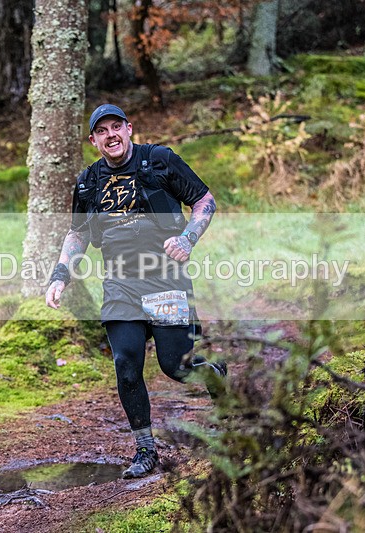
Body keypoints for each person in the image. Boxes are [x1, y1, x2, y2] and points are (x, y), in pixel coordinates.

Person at [45, 104, 226, 479]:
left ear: (129, 129)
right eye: (102, 131)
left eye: (116, 127)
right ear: (93, 140)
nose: (111, 135)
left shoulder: (159, 160)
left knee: (176, 366)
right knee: (126, 366)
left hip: (165, 280)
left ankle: (214, 376)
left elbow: (204, 201)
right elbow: (77, 233)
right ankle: (145, 450)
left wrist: (189, 238)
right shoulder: (88, 182)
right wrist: (60, 274)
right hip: (120, 285)